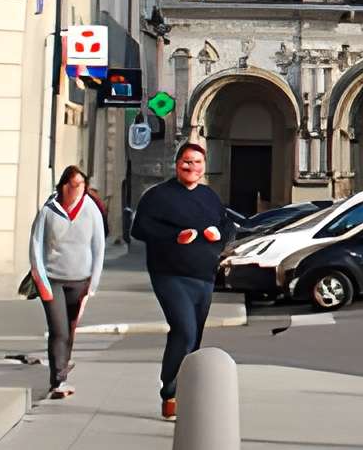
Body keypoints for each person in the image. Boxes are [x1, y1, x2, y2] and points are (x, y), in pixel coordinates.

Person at [129, 140, 244, 422]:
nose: (191, 167)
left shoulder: (208, 196)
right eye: (187, 161)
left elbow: (227, 224)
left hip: (203, 276)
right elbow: (141, 229)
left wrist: (220, 236)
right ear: (177, 164)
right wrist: (174, 238)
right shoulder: (158, 196)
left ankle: (185, 392)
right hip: (170, 274)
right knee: (184, 330)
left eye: (197, 163)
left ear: (204, 168)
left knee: (195, 339)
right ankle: (169, 391)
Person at [25, 165, 107, 401]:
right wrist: (40, 280)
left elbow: (98, 247)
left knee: (69, 329)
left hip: (80, 281)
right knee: (58, 329)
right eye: (73, 185)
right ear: (63, 186)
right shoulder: (49, 210)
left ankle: (62, 365)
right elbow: (36, 247)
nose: (77, 190)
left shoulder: (91, 209)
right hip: (53, 280)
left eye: (81, 185)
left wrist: (92, 285)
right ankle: (58, 380)